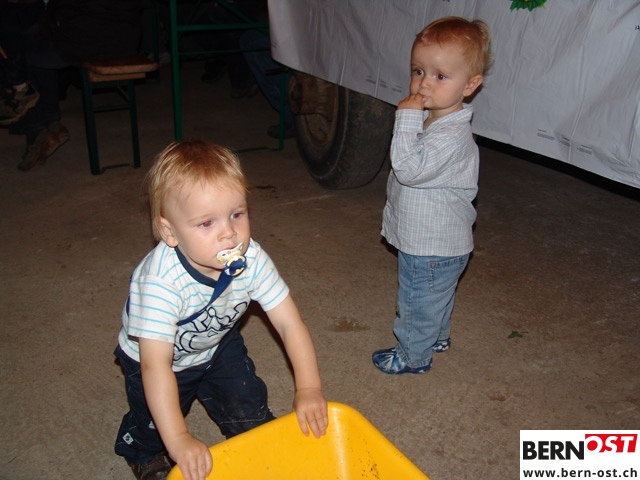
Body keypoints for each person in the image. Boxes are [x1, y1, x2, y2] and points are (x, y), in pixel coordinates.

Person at [114, 140, 328, 480]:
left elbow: (290, 323)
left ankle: (245, 423)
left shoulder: (252, 258)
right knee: (155, 423)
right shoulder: (159, 283)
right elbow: (156, 366)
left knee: (249, 408)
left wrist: (309, 389)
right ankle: (141, 451)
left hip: (217, 342)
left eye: (236, 215)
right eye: (206, 223)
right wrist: (179, 438)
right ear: (169, 231)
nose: (229, 233)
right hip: (158, 359)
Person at [372, 17, 491, 375]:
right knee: (436, 296)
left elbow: (408, 169)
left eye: (440, 76)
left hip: (430, 246)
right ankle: (436, 337)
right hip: (437, 243)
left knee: (416, 302)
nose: (424, 83)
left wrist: (406, 118)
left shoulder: (450, 137)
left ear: (470, 85)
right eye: (418, 71)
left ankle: (413, 355)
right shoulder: (437, 122)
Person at [15, 0, 143, 171]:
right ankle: (49, 121)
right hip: (124, 35)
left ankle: (38, 127)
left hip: (92, 37)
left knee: (18, 47)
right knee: (31, 37)